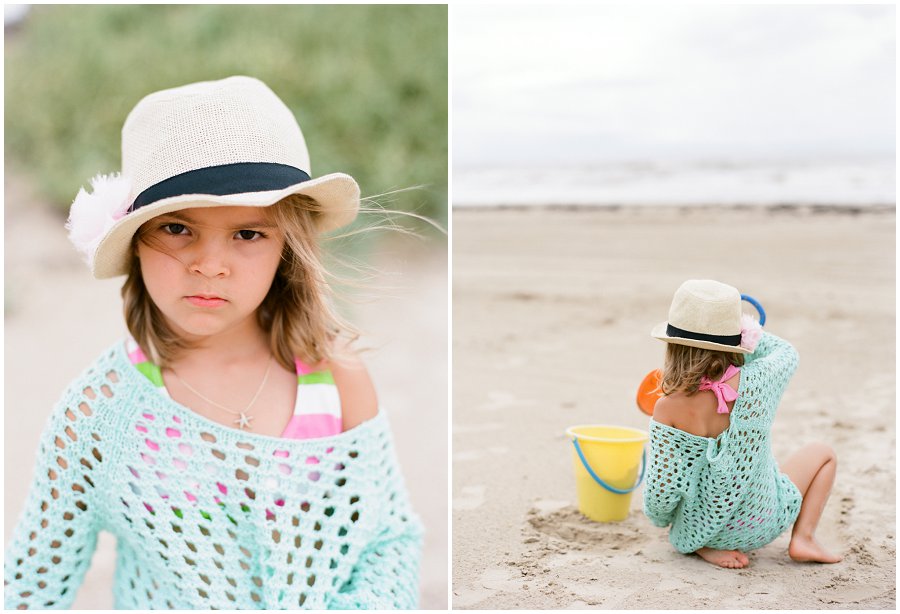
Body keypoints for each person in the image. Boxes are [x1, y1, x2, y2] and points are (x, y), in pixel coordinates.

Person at [4, 76, 422, 609]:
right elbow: (33, 584)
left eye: (248, 234)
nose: (209, 265)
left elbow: (388, 538)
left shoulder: (335, 379)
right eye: (178, 228)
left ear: (286, 250)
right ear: (135, 242)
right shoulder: (99, 413)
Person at [642, 279, 841, 569]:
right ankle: (804, 538)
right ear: (737, 339)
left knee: (697, 501)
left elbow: (662, 492)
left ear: (673, 346)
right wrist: (748, 333)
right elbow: (787, 352)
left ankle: (706, 546)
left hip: (701, 528)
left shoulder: (668, 407)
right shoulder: (759, 380)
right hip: (762, 520)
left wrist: (665, 521)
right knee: (823, 453)